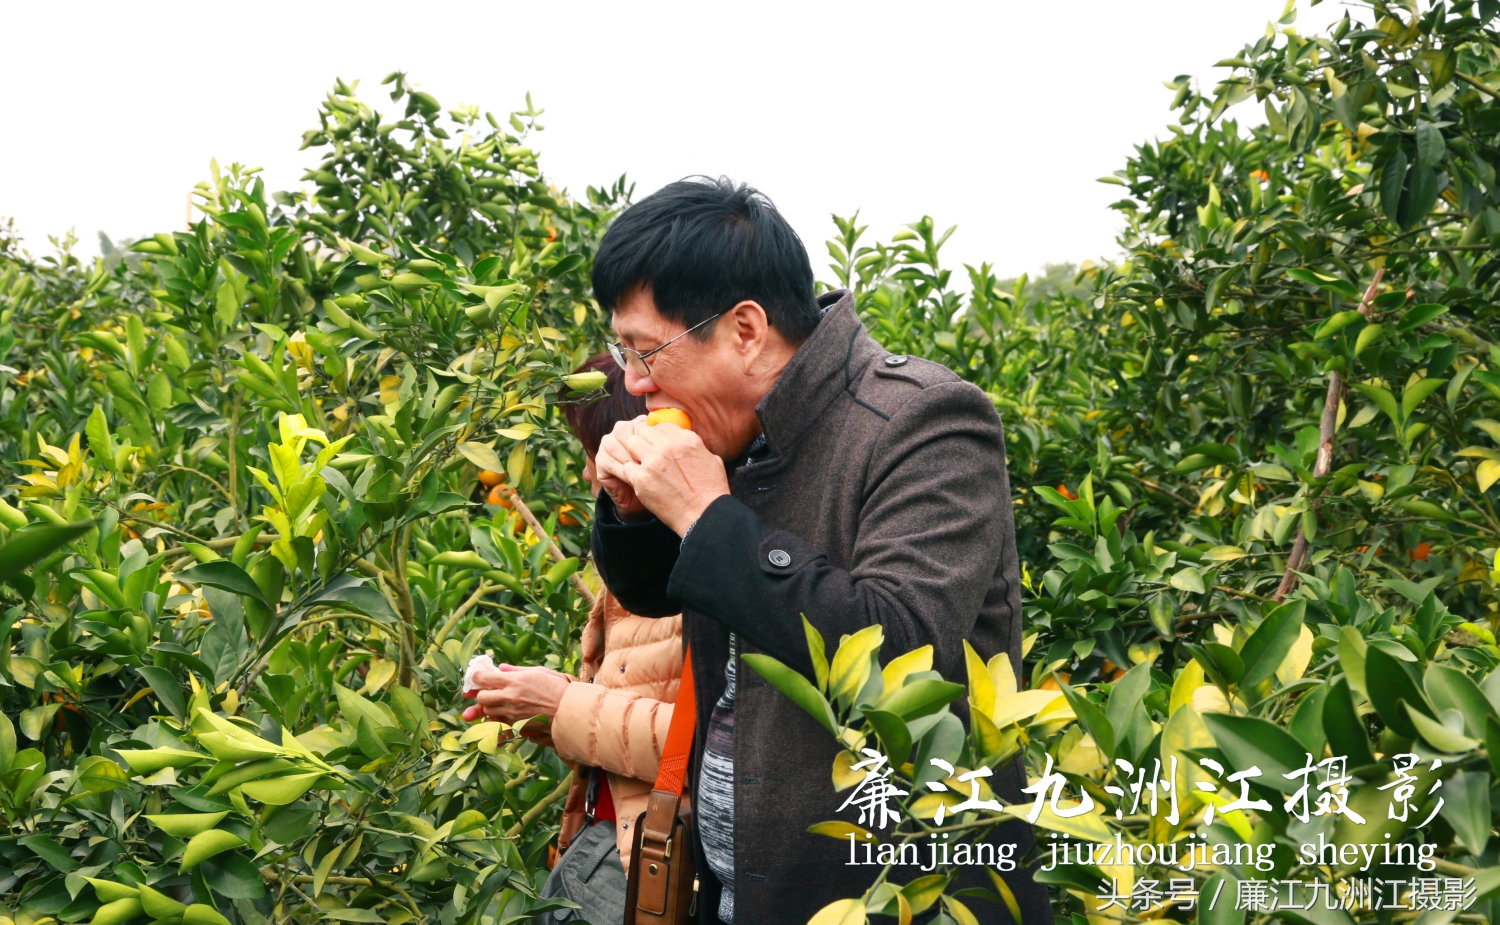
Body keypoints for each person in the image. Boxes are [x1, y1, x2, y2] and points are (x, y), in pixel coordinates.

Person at [586, 177, 1053, 925]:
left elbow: (903, 651)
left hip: (897, 897)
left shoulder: (925, 422)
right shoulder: (729, 427)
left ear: (745, 329)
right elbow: (654, 592)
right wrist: (636, 512)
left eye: (648, 351)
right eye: (624, 352)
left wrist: (708, 515)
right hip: (742, 892)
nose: (634, 382)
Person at [464, 354, 684, 925]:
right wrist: (541, 708)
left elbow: (719, 749)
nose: (590, 475)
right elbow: (642, 705)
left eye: (592, 454)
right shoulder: (639, 555)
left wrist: (563, 705)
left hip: (648, 864)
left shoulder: (695, 570)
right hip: (605, 842)